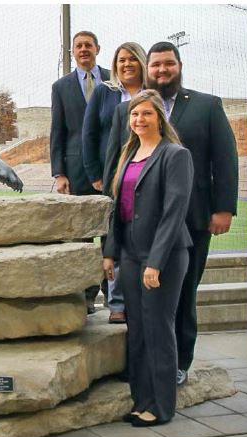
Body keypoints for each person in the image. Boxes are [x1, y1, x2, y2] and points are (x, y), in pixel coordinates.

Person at [105, 42, 238, 385]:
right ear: (147, 69)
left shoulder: (206, 106)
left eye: (169, 64)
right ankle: (142, 362)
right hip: (138, 226)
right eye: (156, 65)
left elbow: (224, 159)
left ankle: (179, 362)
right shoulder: (129, 112)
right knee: (138, 300)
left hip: (191, 222)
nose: (162, 71)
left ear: (179, 66)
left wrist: (223, 208)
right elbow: (114, 169)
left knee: (181, 295)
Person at [103, 90, 193, 427]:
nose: (139, 120)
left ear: (160, 118)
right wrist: (110, 252)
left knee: (158, 329)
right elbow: (118, 209)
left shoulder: (175, 155)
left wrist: (155, 262)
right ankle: (141, 401)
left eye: (147, 114)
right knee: (137, 331)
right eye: (134, 115)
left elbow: (174, 212)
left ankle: (161, 406)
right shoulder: (129, 154)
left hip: (164, 257)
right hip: (129, 254)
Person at [82, 42, 147, 324]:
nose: (127, 64)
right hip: (116, 174)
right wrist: (98, 175)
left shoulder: (153, 95)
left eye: (133, 59)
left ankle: (143, 299)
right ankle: (116, 302)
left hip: (148, 173)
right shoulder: (105, 93)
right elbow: (90, 134)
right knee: (114, 238)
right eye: (121, 60)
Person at [50, 30, 111, 315]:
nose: (84, 49)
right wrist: (59, 173)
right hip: (76, 172)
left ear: (97, 48)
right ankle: (86, 297)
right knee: (83, 236)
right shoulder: (61, 87)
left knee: (113, 233)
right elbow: (58, 132)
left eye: (88, 45)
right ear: (73, 52)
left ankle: (115, 298)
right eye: (79, 46)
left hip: (112, 166)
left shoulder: (115, 80)